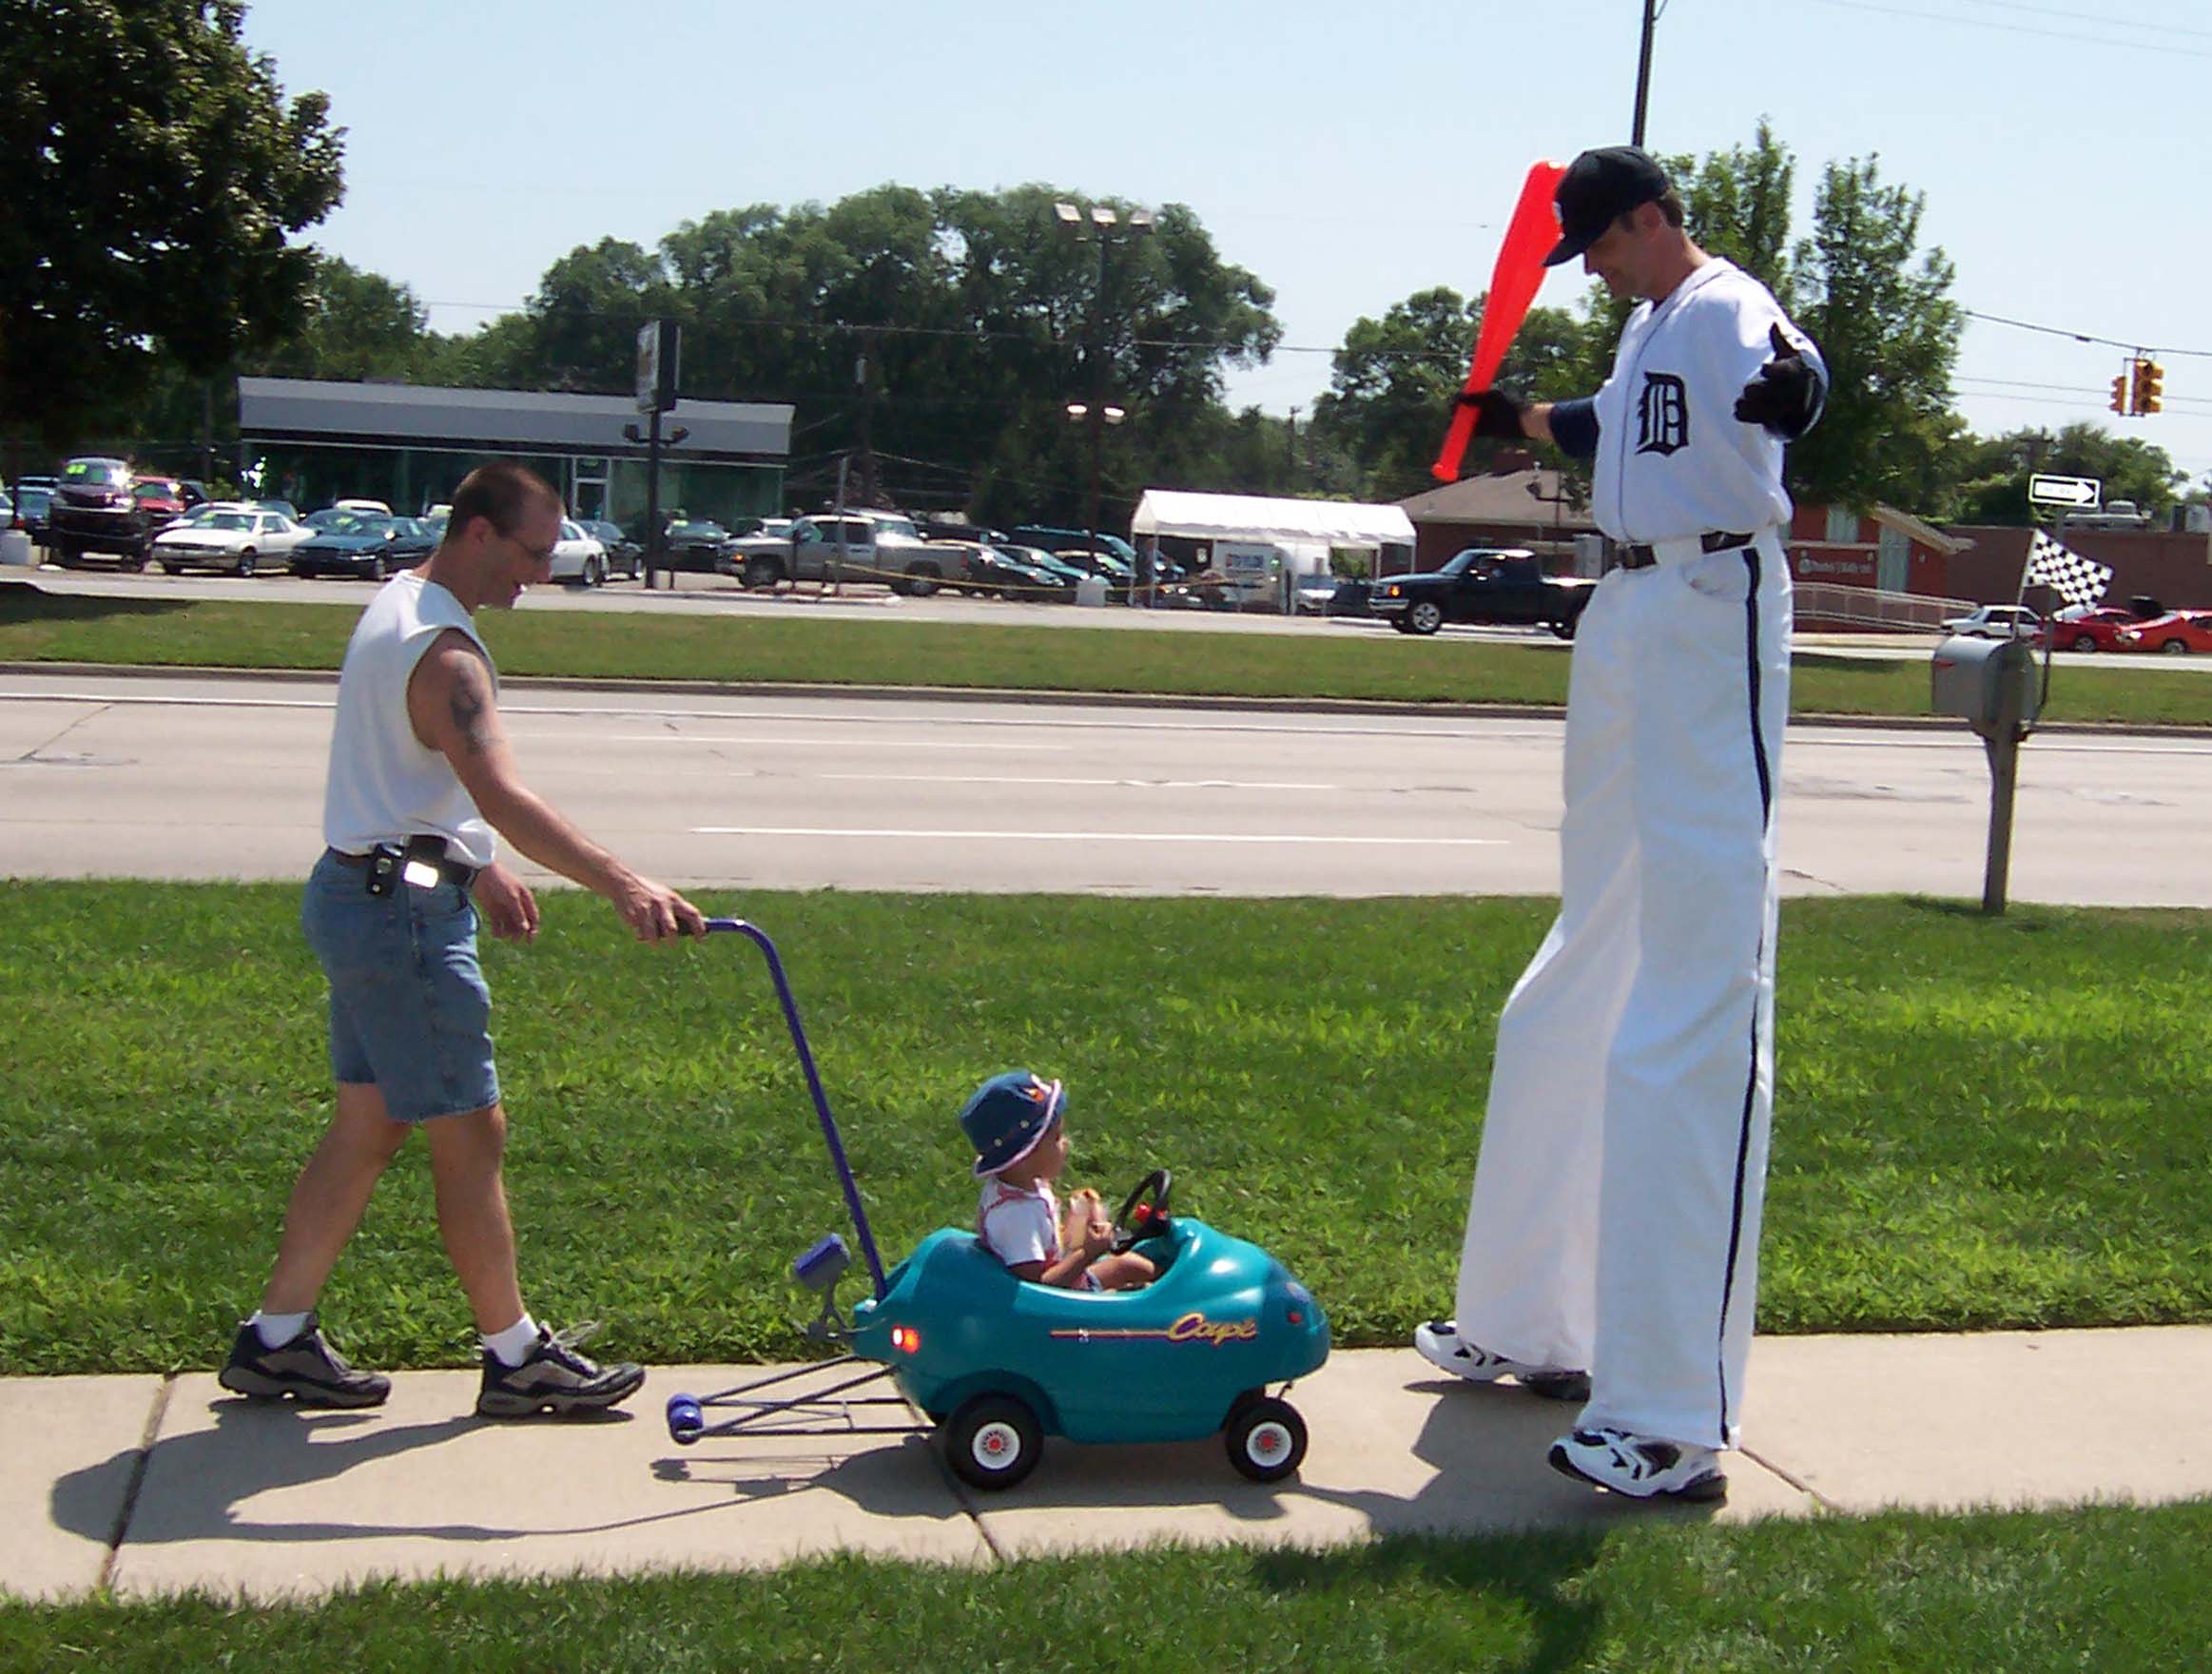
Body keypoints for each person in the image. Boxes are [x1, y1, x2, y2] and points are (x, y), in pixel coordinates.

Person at [1415, 146, 1828, 1502]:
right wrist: (1507, 414)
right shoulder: (1650, 321)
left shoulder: (1719, 303)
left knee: (1692, 998)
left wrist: (1799, 390)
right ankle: (1532, 1322)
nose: (1586, 265)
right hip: (1632, 613)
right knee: (1574, 977)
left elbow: (1789, 368)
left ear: (1653, 219)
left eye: (1596, 240)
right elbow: (1602, 425)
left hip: (1714, 610)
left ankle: (1667, 1416)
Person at [219, 460, 708, 1417]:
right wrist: (620, 878)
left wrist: (472, 866)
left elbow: (403, 784)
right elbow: (502, 795)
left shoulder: (398, 601)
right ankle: (516, 1353)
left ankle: (275, 1337)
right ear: (477, 531)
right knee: (470, 1129)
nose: (540, 572)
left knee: (368, 1124)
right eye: (530, 552)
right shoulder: (446, 655)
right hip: (398, 918)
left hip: (363, 889)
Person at [961, 1071, 1155, 1292]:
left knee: (1131, 1265)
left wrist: (1078, 1221)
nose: (1066, 1144)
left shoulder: (1025, 1185)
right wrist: (1087, 1253)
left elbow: (1046, 1243)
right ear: (1024, 1157)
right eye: (1056, 1138)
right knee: (1133, 1272)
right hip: (1063, 1303)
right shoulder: (1015, 1216)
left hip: (1068, 1278)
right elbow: (1039, 1289)